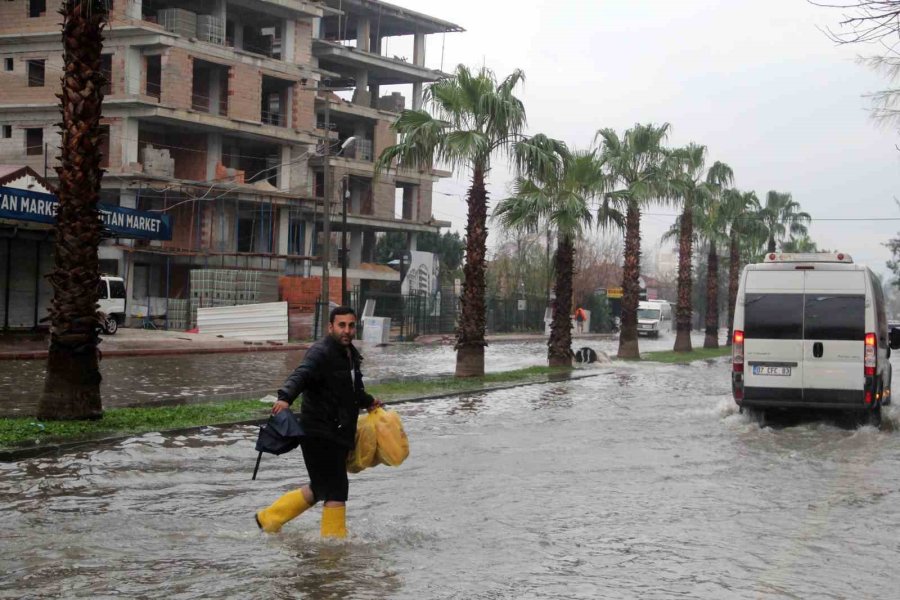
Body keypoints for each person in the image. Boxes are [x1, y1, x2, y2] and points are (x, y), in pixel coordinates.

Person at [255, 306, 381, 538]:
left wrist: (369, 401)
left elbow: (352, 390)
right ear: (330, 327)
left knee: (322, 486)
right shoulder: (320, 352)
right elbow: (301, 374)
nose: (347, 330)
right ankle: (333, 544)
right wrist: (285, 398)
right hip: (319, 433)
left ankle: (270, 517)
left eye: (351, 325)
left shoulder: (350, 355)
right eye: (341, 325)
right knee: (336, 489)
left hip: (338, 432)